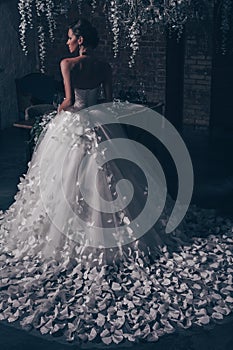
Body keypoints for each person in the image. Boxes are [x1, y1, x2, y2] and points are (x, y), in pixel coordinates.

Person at [0, 18, 233, 347]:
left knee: (68, 180)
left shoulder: (67, 64)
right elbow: (108, 102)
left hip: (75, 124)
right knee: (114, 176)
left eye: (69, 37)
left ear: (79, 40)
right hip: (101, 123)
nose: (66, 42)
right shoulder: (104, 65)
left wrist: (59, 110)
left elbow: (68, 101)